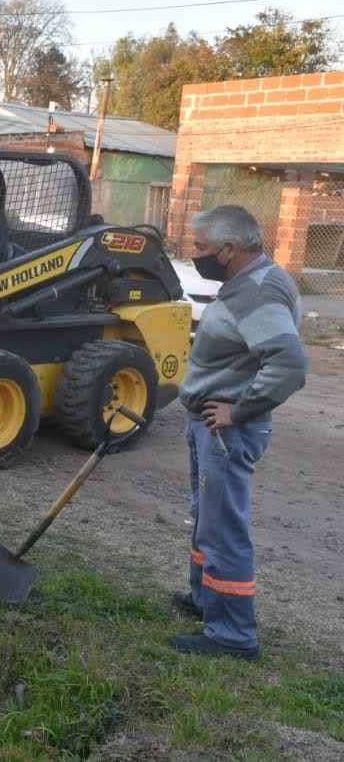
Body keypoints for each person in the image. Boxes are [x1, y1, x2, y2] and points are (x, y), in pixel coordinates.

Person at [170, 204, 307, 661]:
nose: (195, 255)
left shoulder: (258, 293)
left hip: (225, 431)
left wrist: (240, 410)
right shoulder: (254, 279)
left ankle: (232, 635)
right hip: (209, 424)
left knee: (223, 528)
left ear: (229, 249)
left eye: (202, 247)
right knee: (206, 517)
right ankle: (206, 598)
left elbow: (289, 364)